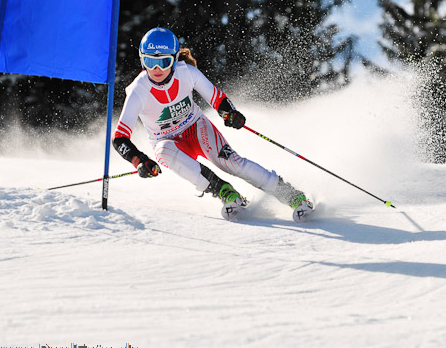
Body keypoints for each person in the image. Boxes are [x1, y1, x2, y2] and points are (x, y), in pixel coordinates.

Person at [112, 27, 314, 222]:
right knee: (162, 152)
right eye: (150, 61)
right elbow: (119, 137)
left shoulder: (187, 73)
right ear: (142, 60)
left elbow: (217, 98)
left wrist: (230, 114)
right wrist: (139, 161)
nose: (156, 69)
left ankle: (292, 195)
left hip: (196, 128)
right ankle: (225, 192)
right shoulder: (138, 90)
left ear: (174, 60)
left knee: (231, 162)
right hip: (167, 141)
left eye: (164, 62)